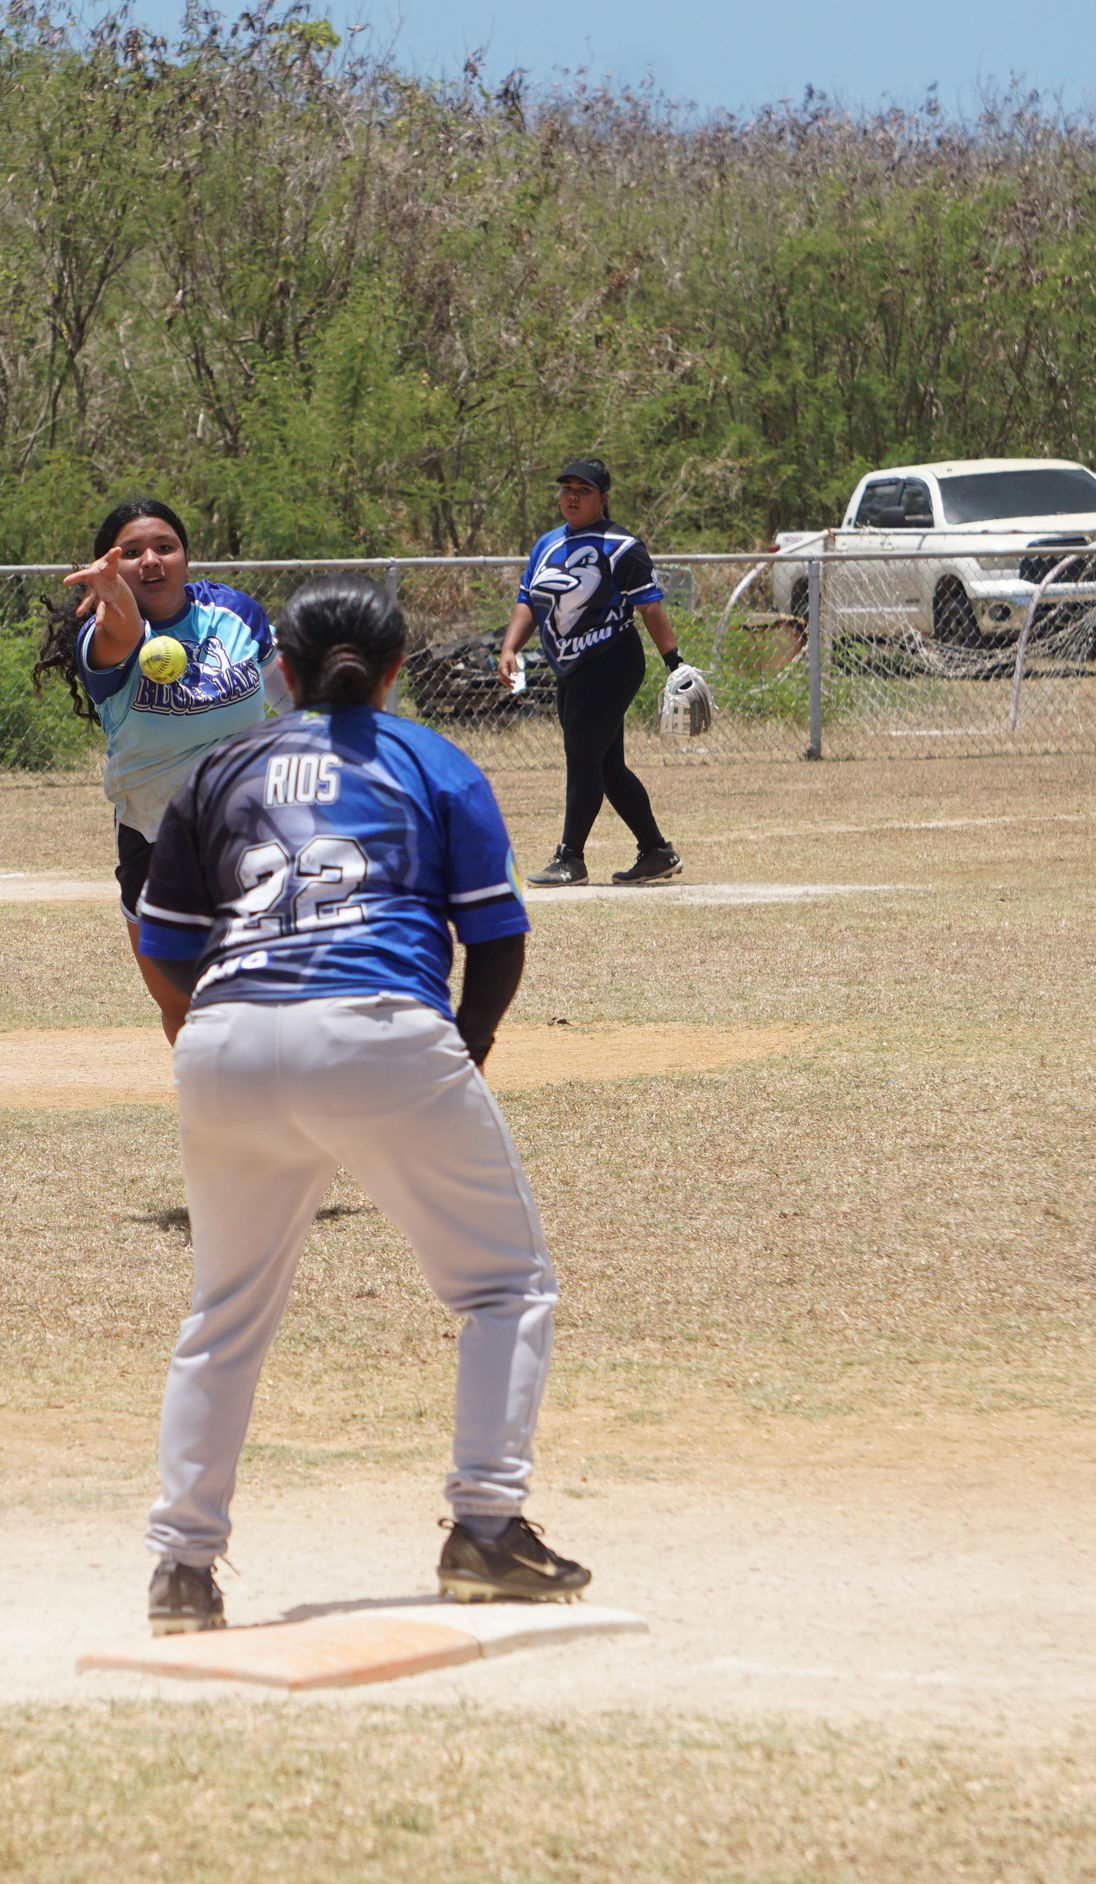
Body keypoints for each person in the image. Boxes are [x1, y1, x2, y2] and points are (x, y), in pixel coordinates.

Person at [135, 572, 590, 1634]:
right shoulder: (430, 758)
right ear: (393, 672)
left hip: (225, 1039)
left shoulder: (220, 765)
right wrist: (463, 1049)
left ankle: (181, 1568)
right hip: (379, 1026)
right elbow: (498, 932)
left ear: (280, 673)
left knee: (224, 1315)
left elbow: (161, 947)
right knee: (504, 1287)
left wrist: (220, 1032)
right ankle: (484, 1527)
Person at [39, 497, 289, 1042]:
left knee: (265, 992)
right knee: (180, 1003)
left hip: (252, 828)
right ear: (109, 567)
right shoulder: (101, 634)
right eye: (130, 553)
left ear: (185, 558)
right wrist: (114, 596)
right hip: (156, 835)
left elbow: (289, 695)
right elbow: (125, 632)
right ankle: (219, 1111)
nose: (150, 559)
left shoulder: (234, 612)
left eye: (164, 547)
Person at [497, 456, 683, 887]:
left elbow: (649, 605)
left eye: (583, 490)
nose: (572, 497)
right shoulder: (547, 544)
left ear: (603, 498)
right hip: (571, 666)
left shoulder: (620, 546)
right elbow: (529, 600)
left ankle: (570, 859)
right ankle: (655, 851)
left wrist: (673, 660)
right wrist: (510, 647)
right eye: (566, 488)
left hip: (612, 660)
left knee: (582, 758)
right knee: (606, 765)